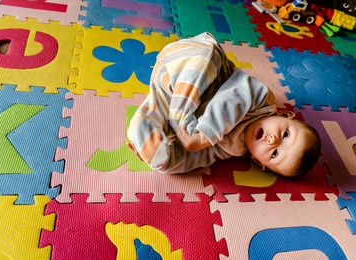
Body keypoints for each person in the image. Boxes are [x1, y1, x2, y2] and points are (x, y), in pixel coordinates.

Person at [127, 32, 321, 177]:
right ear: (285, 116)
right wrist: (202, 136)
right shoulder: (262, 100)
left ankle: (147, 125)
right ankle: (177, 117)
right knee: (211, 54)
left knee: (163, 125)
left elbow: (200, 157)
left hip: (169, 87)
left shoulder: (234, 149)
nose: (272, 140)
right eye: (286, 134)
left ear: (259, 162)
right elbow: (232, 100)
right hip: (192, 61)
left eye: (275, 153)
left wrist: (169, 162)